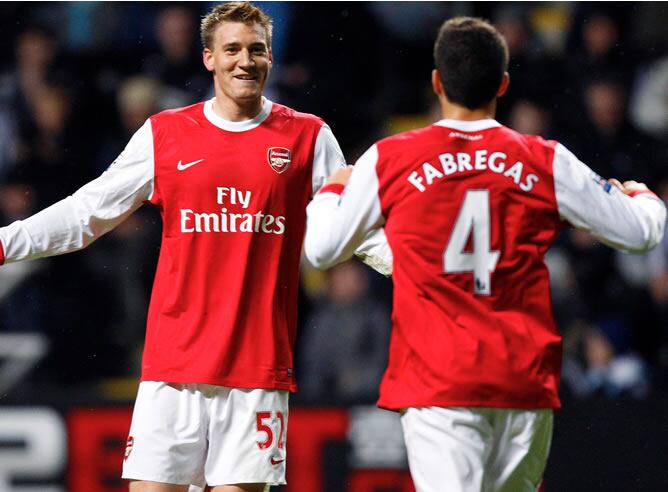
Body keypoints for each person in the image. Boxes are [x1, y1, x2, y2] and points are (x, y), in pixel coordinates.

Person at [0, 2, 390, 491]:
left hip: (256, 374)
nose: (244, 61)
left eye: (256, 50)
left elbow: (355, 229)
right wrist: (4, 244)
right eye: (231, 49)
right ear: (208, 57)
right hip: (173, 367)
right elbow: (86, 214)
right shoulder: (166, 134)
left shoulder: (308, 137)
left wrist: (421, 269)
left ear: (270, 57)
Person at [304, 17, 666, 492]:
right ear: (503, 84)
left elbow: (322, 248)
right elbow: (641, 233)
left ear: (436, 82)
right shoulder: (544, 159)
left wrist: (333, 189)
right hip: (522, 384)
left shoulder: (391, 158)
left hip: (439, 384)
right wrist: (642, 195)